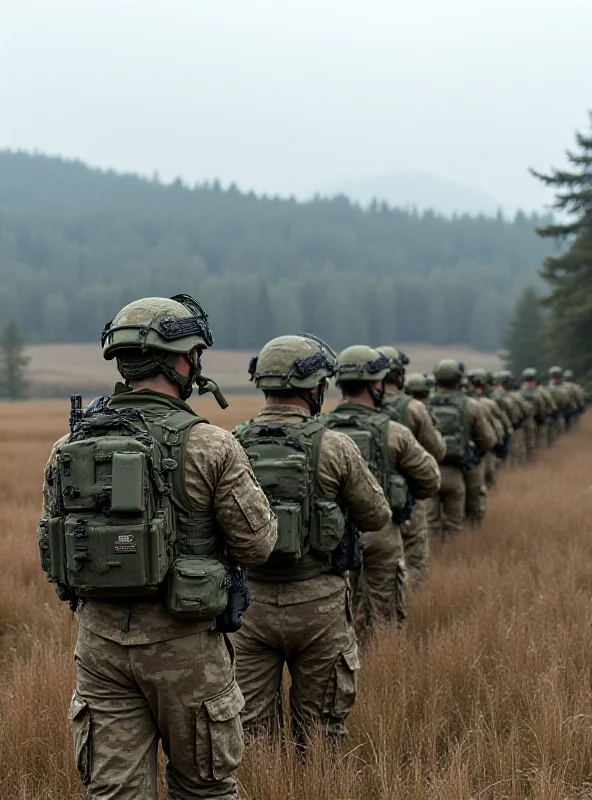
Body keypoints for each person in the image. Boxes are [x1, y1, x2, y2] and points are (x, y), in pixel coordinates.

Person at [40, 295, 277, 800]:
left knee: (116, 795)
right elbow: (258, 546)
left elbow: (54, 546)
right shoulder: (211, 444)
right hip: (186, 646)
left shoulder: (68, 448)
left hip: (100, 647)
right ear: (181, 360)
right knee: (204, 791)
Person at [232, 335, 391, 746]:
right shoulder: (336, 446)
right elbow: (376, 515)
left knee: (252, 733)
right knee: (322, 731)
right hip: (319, 605)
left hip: (250, 606)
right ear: (319, 387)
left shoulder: (232, 443)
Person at [324, 345, 440, 630]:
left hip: (330, 534)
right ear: (377, 383)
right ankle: (384, 663)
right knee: (387, 615)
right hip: (382, 533)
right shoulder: (394, 432)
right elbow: (430, 480)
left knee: (341, 614)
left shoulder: (319, 430)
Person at [377, 345, 446, 583]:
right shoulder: (415, 408)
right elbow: (437, 450)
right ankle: (407, 608)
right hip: (407, 498)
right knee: (414, 562)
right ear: (400, 375)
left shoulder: (358, 409)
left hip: (363, 504)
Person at [427, 360, 496, 539]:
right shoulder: (472, 405)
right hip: (463, 468)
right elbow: (488, 440)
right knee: (462, 519)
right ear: (460, 380)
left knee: (430, 522)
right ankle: (459, 550)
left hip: (429, 470)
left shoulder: (424, 405)